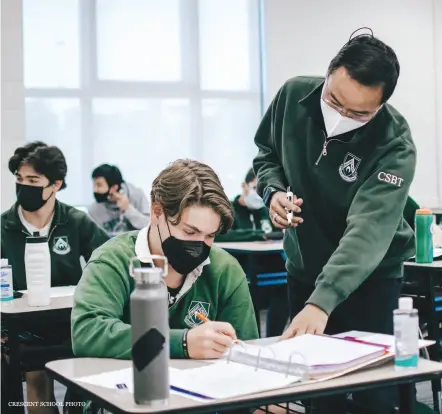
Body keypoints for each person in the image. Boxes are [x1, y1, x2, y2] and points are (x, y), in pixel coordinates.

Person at [253, 29, 416, 413]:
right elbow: (265, 156)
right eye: (335, 101)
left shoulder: (395, 143)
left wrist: (322, 301)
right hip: (306, 265)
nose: (342, 117)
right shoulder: (293, 97)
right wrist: (273, 192)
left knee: (372, 392)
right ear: (328, 75)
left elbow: (368, 232)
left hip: (370, 276)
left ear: (381, 106)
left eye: (359, 113)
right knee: (316, 388)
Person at [72, 159, 258, 363]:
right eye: (189, 232)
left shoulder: (225, 270)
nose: (199, 246)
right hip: (120, 388)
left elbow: (246, 349)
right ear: (157, 212)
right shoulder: (113, 260)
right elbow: (87, 332)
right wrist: (181, 343)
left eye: (210, 236)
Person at [1, 141, 109, 414]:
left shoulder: (75, 221)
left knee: (83, 390)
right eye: (19, 179)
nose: (24, 186)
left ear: (56, 185)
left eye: (33, 180)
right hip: (23, 326)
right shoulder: (4, 226)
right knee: (38, 385)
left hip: (71, 323)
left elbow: (109, 262)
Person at [216, 168, 289, 337]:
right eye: (255, 187)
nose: (258, 194)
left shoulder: (265, 210)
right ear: (244, 186)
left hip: (270, 263)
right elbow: (222, 235)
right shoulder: (228, 210)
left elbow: (277, 233)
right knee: (249, 294)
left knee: (286, 288)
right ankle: (253, 337)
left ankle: (274, 337)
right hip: (244, 265)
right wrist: (259, 235)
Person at [89, 164, 150, 233]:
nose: (94, 190)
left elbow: (150, 227)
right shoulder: (94, 210)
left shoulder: (136, 195)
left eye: (99, 185)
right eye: (94, 184)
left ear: (114, 187)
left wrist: (128, 209)